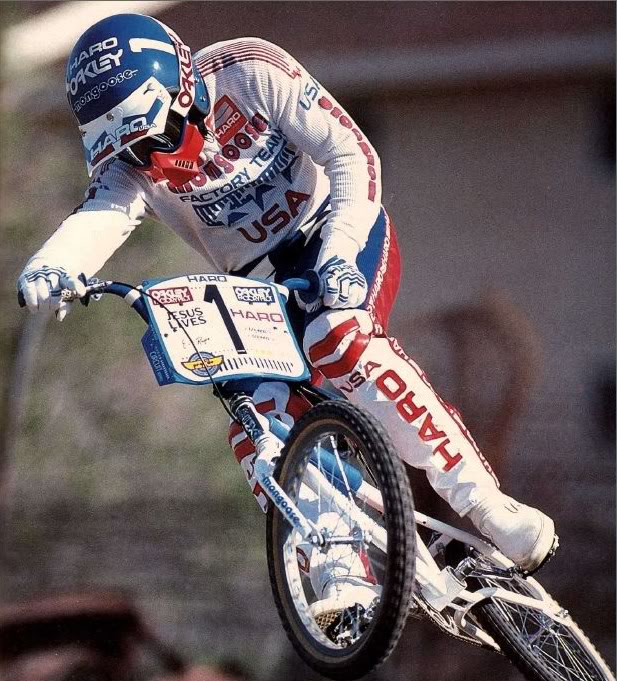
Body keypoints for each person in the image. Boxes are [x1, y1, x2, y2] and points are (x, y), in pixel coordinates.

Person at [17, 13, 556, 622]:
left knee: (338, 338)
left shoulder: (251, 71)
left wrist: (338, 254)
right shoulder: (132, 165)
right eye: (130, 150)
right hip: (255, 285)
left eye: (156, 136)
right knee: (257, 428)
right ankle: (337, 565)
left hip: (336, 230)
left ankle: (488, 506)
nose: (152, 160)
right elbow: (100, 215)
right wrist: (50, 266)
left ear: (183, 89)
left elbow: (351, 154)